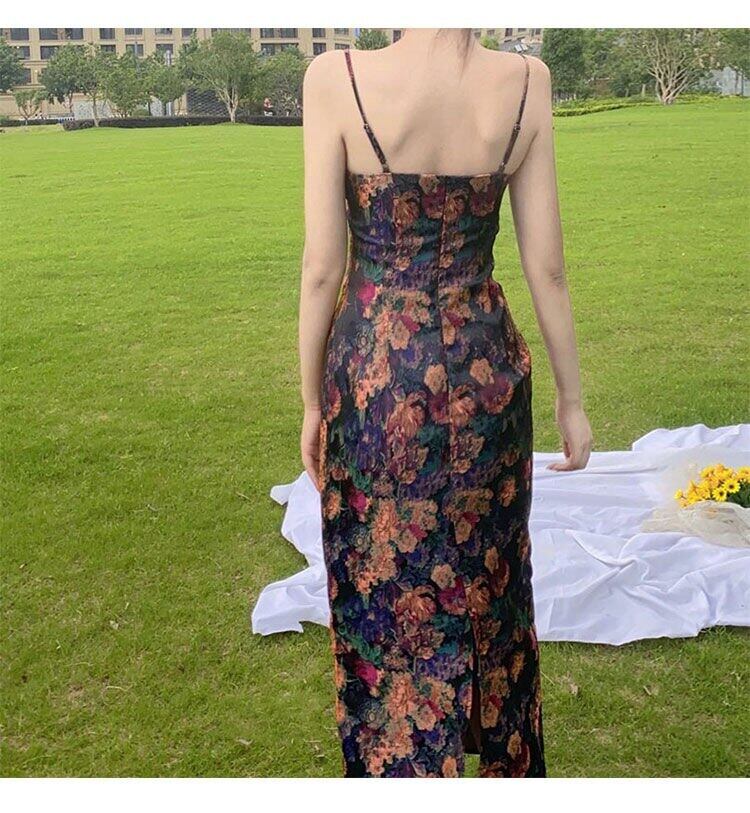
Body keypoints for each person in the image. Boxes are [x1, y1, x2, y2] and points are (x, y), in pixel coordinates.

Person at [297, 28, 592, 778]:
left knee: (382, 579)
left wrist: (310, 402)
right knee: (490, 587)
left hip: (378, 379)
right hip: (487, 373)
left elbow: (322, 267)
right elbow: (548, 268)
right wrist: (572, 399)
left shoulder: (337, 78)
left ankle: (398, 766)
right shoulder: (525, 82)